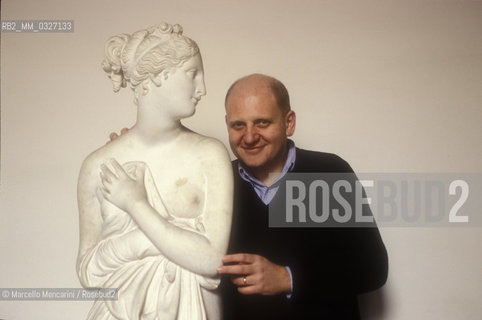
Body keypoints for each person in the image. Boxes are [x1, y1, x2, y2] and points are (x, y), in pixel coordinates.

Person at [77, 23, 233, 320]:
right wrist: (165, 242)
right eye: (192, 74)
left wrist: (135, 204)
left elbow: (212, 260)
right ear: (157, 77)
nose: (203, 88)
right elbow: (88, 272)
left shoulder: (210, 155)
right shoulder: (98, 165)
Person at [216, 73, 388, 319]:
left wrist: (287, 278)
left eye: (262, 122)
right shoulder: (216, 182)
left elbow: (373, 269)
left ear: (289, 122)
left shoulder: (331, 173)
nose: (250, 136)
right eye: (238, 125)